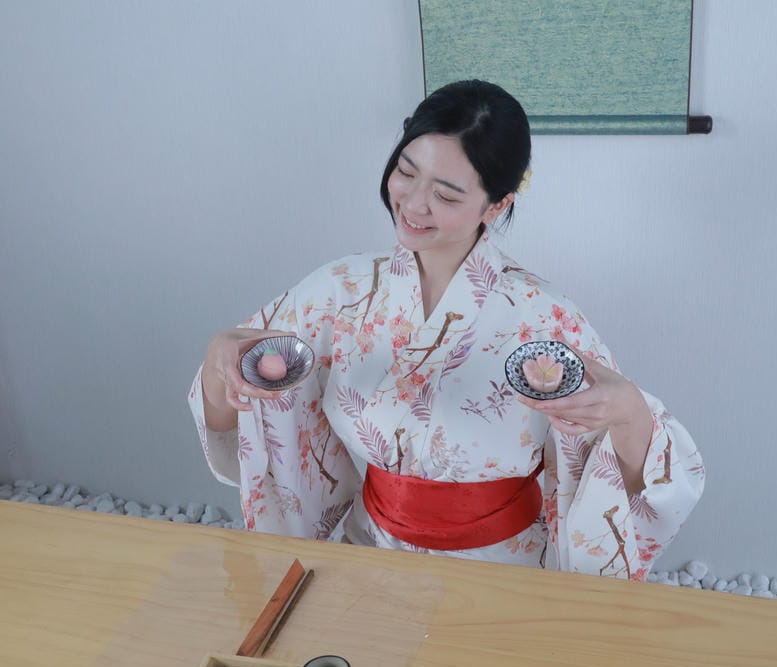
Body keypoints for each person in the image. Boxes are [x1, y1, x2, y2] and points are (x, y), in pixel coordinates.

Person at [190, 80, 704, 578]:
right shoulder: (338, 291)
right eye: (406, 172)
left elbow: (628, 485)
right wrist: (219, 362)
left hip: (502, 569)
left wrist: (631, 413)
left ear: (497, 205)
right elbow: (240, 426)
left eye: (447, 195)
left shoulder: (544, 316)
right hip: (368, 552)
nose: (414, 204)